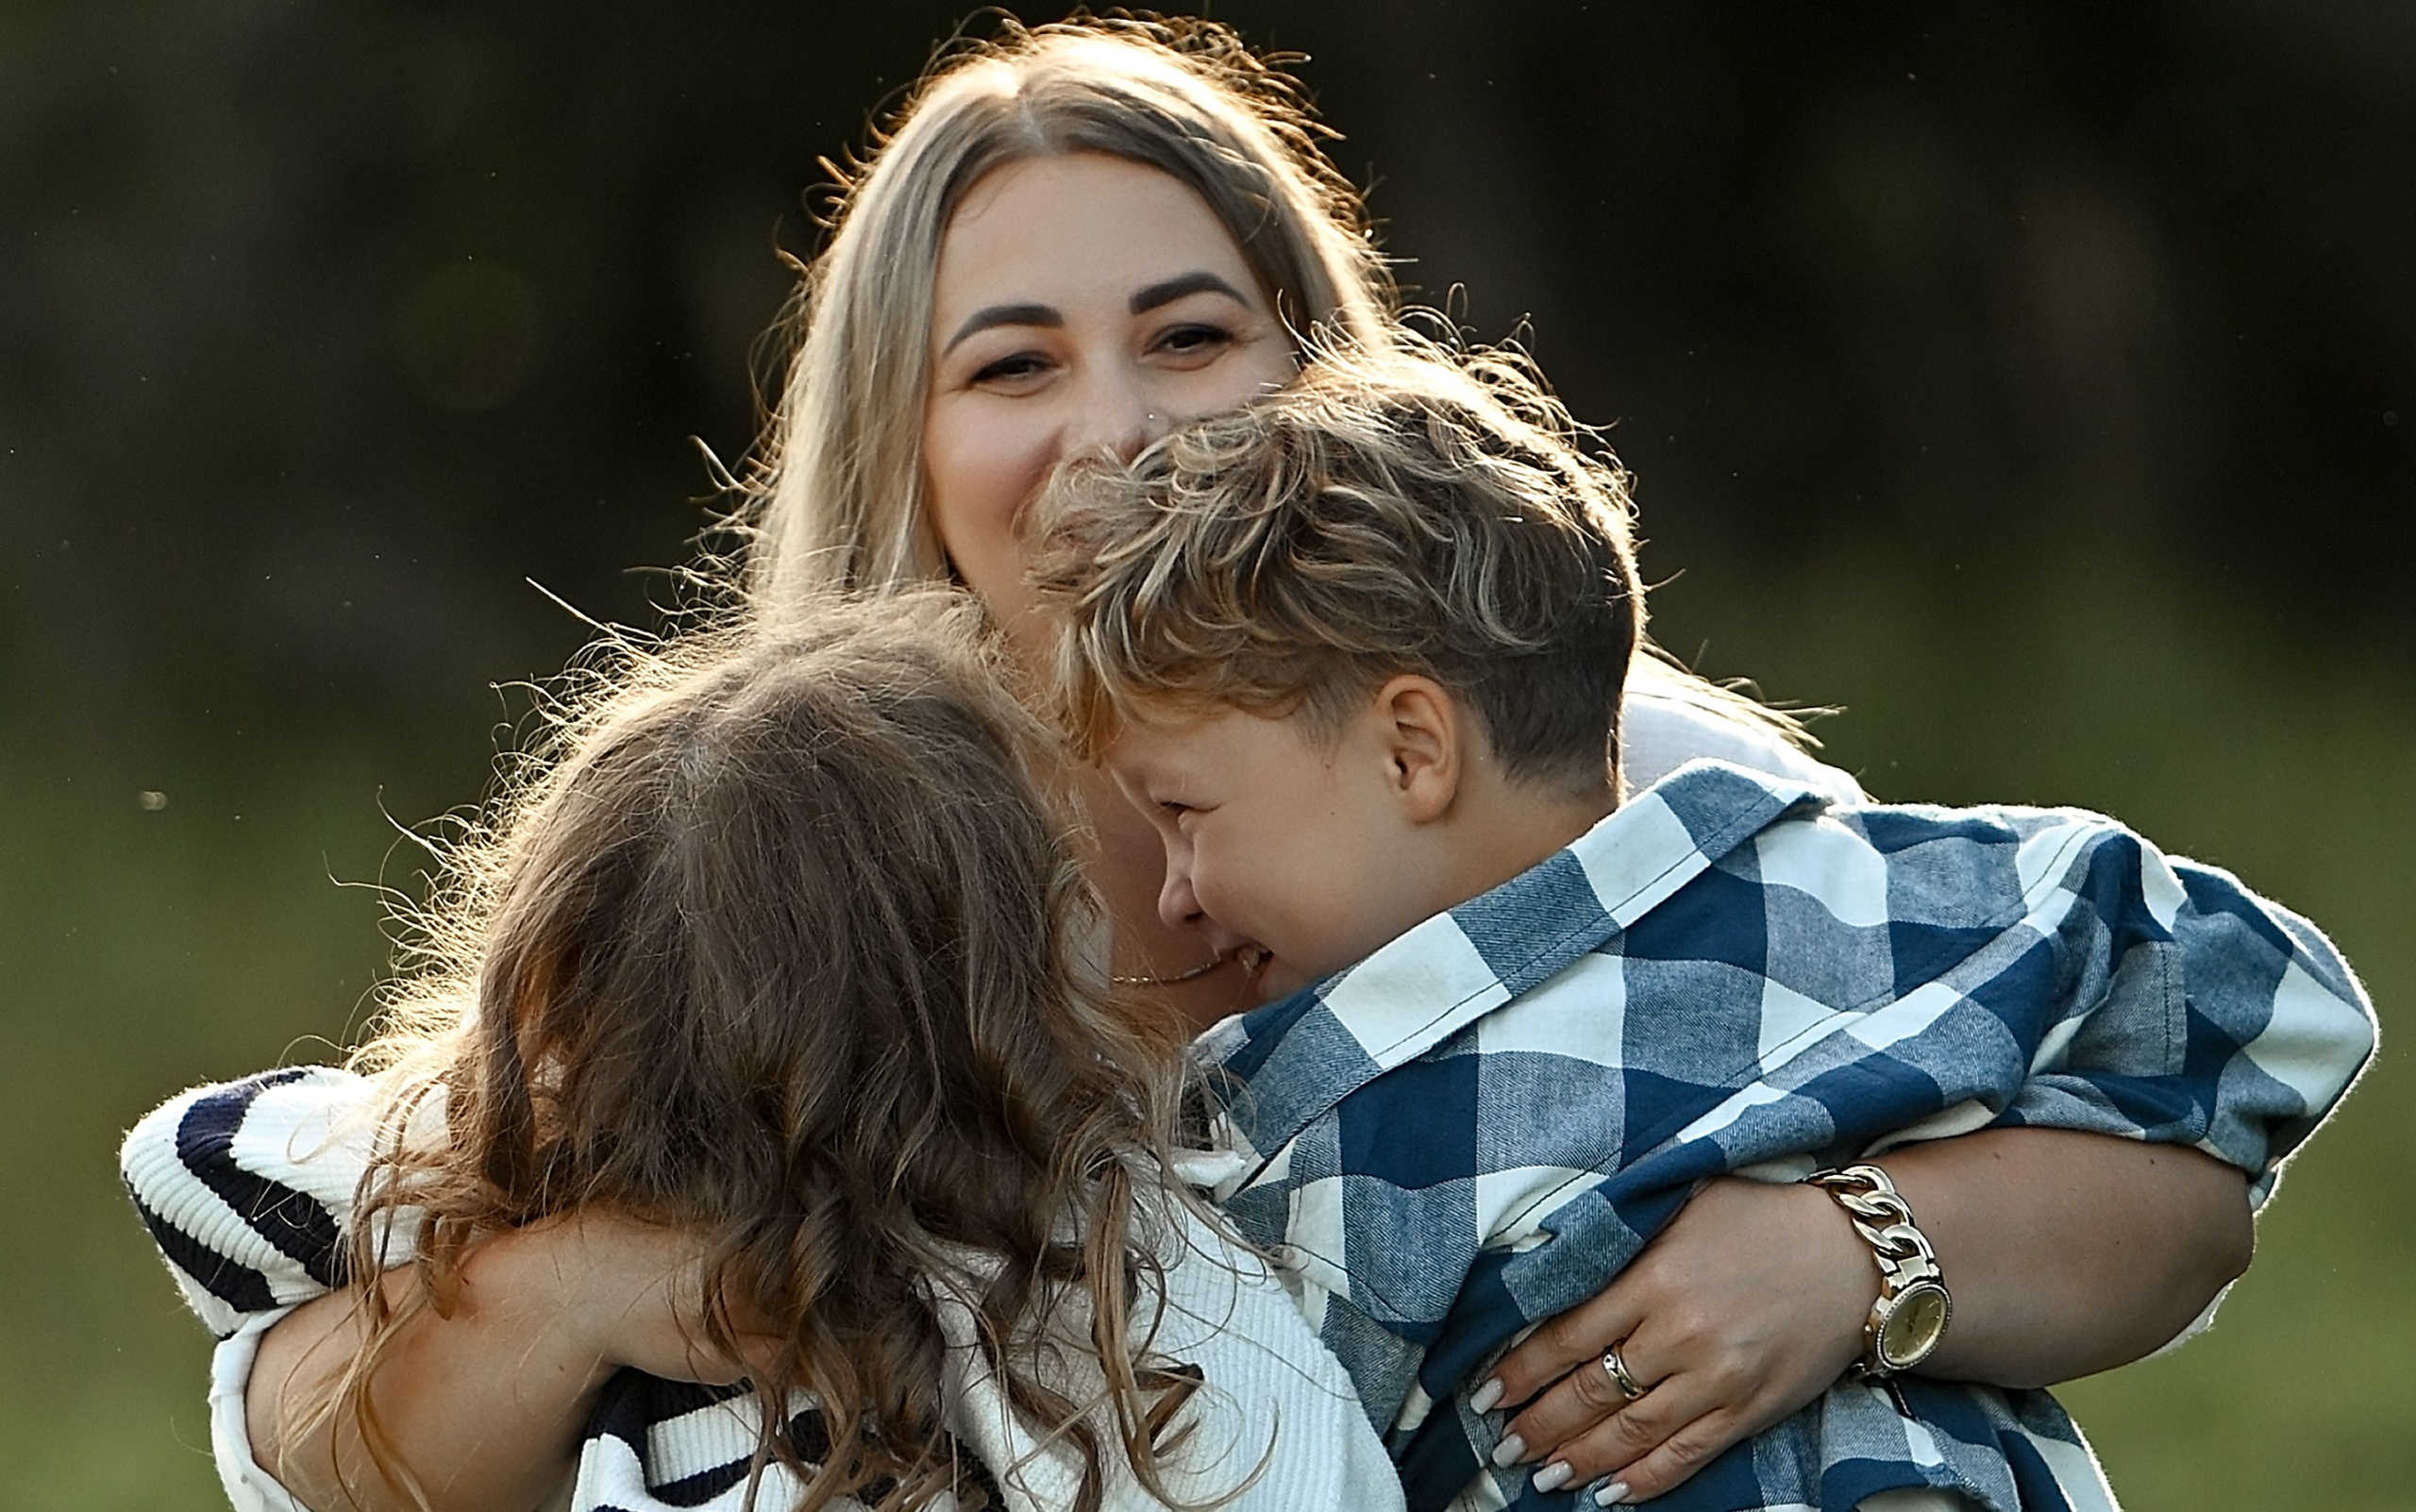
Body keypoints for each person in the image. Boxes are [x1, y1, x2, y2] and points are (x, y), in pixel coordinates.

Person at [121, 14, 2271, 1509]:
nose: (1115, 428)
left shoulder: (1583, 775)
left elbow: (2172, 1194)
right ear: (898, 438)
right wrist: (616, 1281)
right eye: (1012, 362)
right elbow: (313, 1413)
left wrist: (1852, 1257)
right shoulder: (778, 864)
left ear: (1309, 367)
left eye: (1187, 334)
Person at [1027, 346, 2376, 1510]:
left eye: (1188, 812)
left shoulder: (1298, 1133)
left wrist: (1866, 1241)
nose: (1176, 891)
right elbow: (2276, 1015)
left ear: (1411, 750)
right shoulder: (1870, 897)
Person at [126, 596, 1408, 1512]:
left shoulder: (523, 1192)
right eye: (1062, 868)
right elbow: (1302, 1469)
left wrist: (518, 1145)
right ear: (1000, 994)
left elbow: (190, 1163)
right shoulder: (1124, 1265)